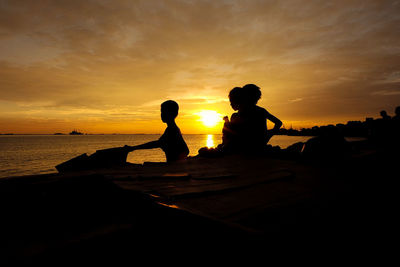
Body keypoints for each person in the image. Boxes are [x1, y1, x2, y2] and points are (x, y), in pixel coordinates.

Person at [221, 84, 282, 153]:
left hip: (246, 146)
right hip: (259, 145)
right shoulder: (261, 111)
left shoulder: (240, 114)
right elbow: (278, 123)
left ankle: (225, 146)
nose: (231, 104)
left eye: (233, 101)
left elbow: (240, 132)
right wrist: (267, 136)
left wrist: (227, 123)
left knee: (228, 124)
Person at [124, 100, 189, 162]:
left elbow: (157, 143)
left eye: (164, 112)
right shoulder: (172, 129)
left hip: (175, 168)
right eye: (161, 112)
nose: (162, 114)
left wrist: (133, 148)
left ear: (173, 113)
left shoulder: (172, 130)